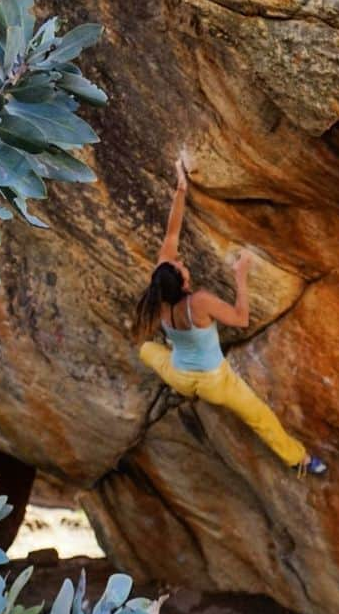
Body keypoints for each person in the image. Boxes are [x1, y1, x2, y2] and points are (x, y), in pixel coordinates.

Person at [134, 154, 327, 476]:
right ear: (182, 284)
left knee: (145, 349)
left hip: (179, 377)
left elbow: (171, 235)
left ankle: (302, 460)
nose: (182, 264)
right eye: (182, 269)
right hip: (214, 383)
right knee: (260, 418)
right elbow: (240, 319)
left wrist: (181, 190)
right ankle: (301, 460)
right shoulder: (200, 302)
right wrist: (241, 274)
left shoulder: (160, 291)